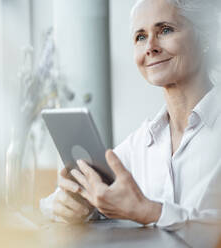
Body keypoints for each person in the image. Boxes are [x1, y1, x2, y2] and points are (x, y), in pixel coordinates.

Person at [40, 0, 221, 230]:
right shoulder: (142, 142)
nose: (150, 47)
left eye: (165, 30)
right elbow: (53, 202)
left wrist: (147, 211)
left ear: (204, 38)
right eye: (141, 37)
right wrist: (70, 204)